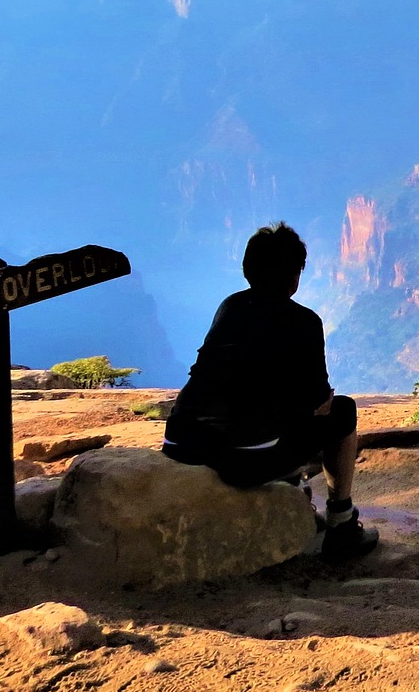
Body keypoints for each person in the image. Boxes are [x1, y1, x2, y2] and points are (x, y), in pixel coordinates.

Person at [162, 222, 379, 562]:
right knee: (342, 411)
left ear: (247, 271)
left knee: (271, 419)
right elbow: (318, 401)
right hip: (238, 460)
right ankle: (341, 522)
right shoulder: (305, 321)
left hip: (180, 443)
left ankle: (295, 494)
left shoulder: (229, 307)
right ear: (295, 276)